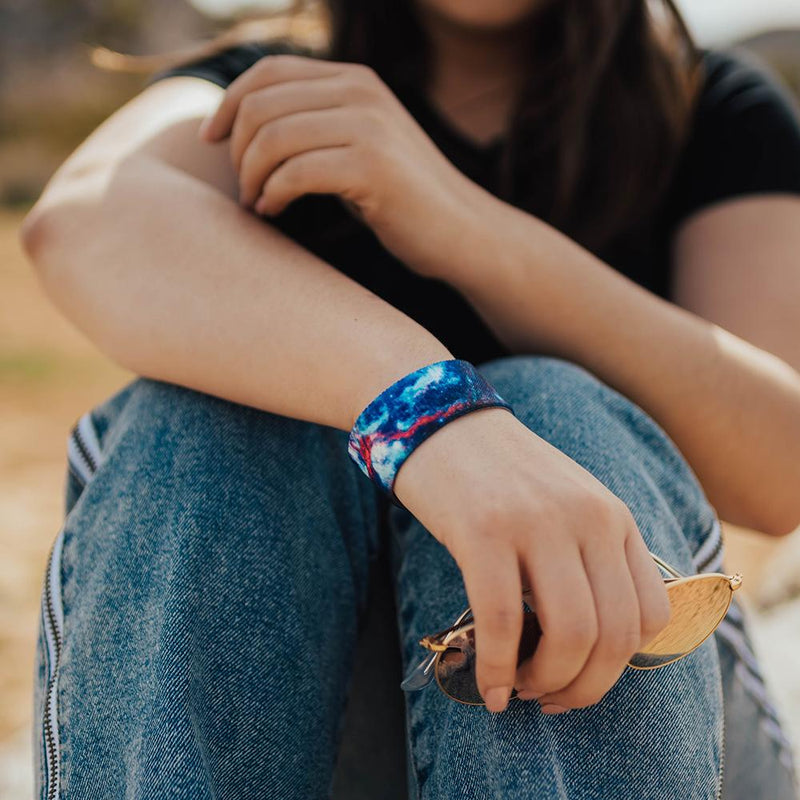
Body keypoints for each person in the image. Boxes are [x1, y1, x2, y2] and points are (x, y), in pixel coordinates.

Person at [19, 0, 800, 797]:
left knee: (557, 405)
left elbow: (781, 465)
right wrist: (431, 416)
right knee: (199, 420)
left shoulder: (707, 109)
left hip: (653, 713)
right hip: (321, 723)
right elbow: (86, 216)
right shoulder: (276, 89)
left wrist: (463, 224)